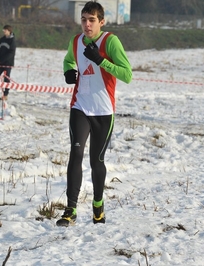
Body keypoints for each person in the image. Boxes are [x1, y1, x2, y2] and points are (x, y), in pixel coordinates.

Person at [56, 0, 132, 227]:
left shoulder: (110, 41)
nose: (87, 25)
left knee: (96, 161)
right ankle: (70, 210)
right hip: (80, 107)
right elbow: (69, 59)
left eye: (92, 21)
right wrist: (68, 71)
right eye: (83, 20)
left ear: (101, 22)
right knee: (75, 155)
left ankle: (98, 207)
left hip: (103, 111)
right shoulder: (76, 41)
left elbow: (127, 75)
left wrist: (100, 60)